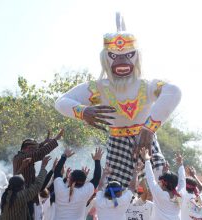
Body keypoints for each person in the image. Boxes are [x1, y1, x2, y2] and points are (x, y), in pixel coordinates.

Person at [54, 12, 181, 188]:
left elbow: (174, 91)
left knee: (159, 187)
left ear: (136, 56)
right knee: (114, 190)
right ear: (105, 58)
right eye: (114, 56)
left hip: (146, 142)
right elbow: (61, 101)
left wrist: (149, 128)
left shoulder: (147, 85)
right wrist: (82, 111)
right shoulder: (99, 88)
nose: (122, 60)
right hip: (117, 144)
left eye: (128, 55)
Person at [12, 129, 63, 219]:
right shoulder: (21, 158)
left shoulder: (20, 156)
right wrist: (56, 139)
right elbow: (39, 153)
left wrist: (44, 142)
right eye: (33, 149)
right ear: (27, 149)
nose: (35, 150)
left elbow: (36, 151)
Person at [53, 147, 102, 220]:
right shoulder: (85, 192)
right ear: (84, 181)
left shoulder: (60, 190)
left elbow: (57, 172)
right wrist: (97, 160)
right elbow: (97, 178)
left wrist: (64, 156)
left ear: (69, 179)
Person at [141, 148, 185, 220]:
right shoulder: (180, 195)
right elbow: (182, 181)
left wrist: (147, 160)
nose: (159, 183)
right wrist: (181, 164)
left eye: (160, 181)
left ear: (164, 184)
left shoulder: (160, 194)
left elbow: (150, 178)